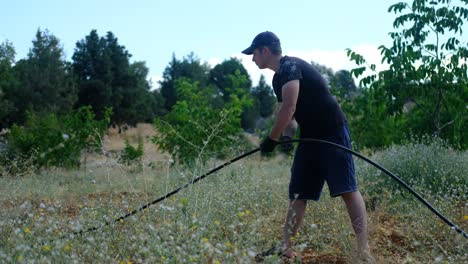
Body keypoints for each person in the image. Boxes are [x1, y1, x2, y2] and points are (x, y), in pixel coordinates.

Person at [241, 31, 374, 262]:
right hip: (309, 137)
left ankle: (363, 251)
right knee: (298, 193)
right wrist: (285, 137)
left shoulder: (290, 67)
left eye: (254, 53)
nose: (252, 59)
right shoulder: (277, 79)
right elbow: (290, 117)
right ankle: (286, 248)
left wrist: (271, 139)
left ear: (265, 50)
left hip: (332, 131)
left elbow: (289, 106)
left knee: (347, 190)